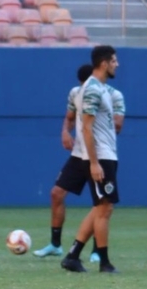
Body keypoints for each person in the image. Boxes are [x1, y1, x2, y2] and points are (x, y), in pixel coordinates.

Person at [35, 65, 126, 263]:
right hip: (80, 153)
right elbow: (69, 118)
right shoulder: (77, 93)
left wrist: (97, 122)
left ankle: (95, 251)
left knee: (102, 204)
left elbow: (117, 125)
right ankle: (56, 245)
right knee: (57, 193)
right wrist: (65, 132)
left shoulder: (113, 95)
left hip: (98, 152)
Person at [60, 45, 120, 274]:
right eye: (114, 61)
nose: (117, 64)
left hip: (106, 155)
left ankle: (73, 255)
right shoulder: (93, 89)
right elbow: (86, 128)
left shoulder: (101, 88)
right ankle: (104, 262)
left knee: (101, 207)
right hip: (100, 156)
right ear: (104, 63)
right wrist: (94, 162)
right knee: (104, 208)